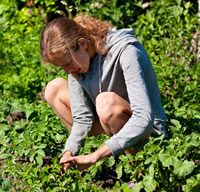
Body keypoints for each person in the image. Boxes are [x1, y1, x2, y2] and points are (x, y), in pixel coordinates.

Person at [40, 14, 168, 173]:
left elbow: (143, 118)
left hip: (147, 132)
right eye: (62, 67)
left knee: (105, 103)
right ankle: (101, 159)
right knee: (54, 88)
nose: (67, 70)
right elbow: (82, 118)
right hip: (109, 124)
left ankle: (140, 169)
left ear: (82, 43)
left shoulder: (126, 51)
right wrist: (69, 151)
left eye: (68, 63)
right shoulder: (78, 64)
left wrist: (96, 156)